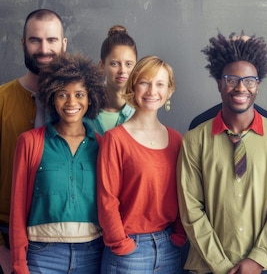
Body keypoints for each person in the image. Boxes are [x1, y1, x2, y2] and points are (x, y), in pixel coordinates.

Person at [177, 32, 267, 274]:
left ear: (258, 86)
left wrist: (258, 258)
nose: (240, 87)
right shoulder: (194, 140)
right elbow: (191, 209)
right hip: (208, 266)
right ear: (219, 84)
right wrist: (221, 266)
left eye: (249, 80)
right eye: (231, 79)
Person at [10, 53, 106, 273]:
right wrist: (18, 263)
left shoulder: (102, 146)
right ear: (52, 97)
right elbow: (17, 208)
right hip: (41, 256)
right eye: (63, 94)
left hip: (92, 254)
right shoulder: (30, 143)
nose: (71, 102)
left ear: (90, 98)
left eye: (79, 94)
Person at [97, 56, 186, 273]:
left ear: (169, 91)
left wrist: (179, 234)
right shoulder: (115, 139)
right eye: (145, 82)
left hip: (169, 248)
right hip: (129, 250)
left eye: (160, 84)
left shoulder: (177, 140)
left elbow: (185, 193)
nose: (151, 91)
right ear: (134, 86)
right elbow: (107, 199)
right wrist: (121, 242)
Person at [0, 9, 67, 273]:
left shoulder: (80, 104)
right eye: (35, 40)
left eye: (51, 40)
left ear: (64, 44)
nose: (44, 49)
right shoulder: (3, 100)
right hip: (7, 235)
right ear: (23, 44)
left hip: (63, 238)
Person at [85, 25, 138, 134]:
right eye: (114, 64)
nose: (122, 70)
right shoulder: (84, 109)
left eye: (128, 64)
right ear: (102, 65)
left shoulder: (140, 112)